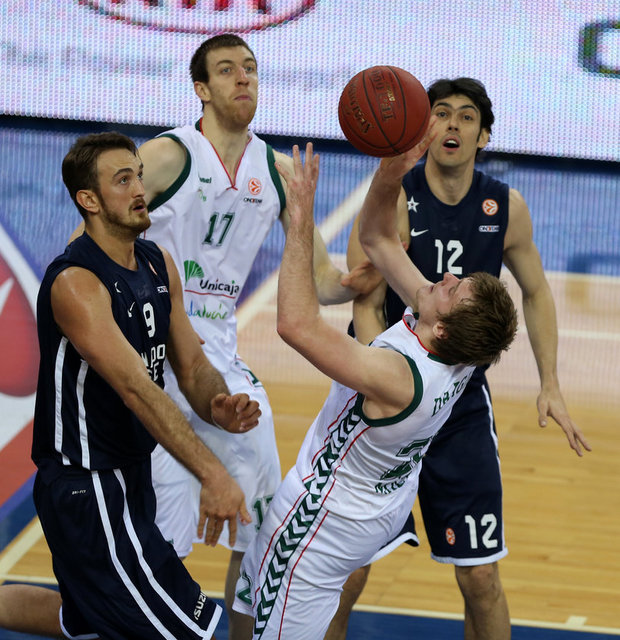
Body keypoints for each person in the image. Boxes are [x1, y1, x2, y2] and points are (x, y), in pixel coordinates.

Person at [131, 33, 376, 640]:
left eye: (250, 68)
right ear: (201, 89)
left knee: (265, 528)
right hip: (151, 354)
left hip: (221, 357)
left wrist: (363, 277)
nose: (243, 78)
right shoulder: (166, 156)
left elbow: (321, 282)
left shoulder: (279, 170)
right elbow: (94, 239)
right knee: (159, 543)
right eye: (226, 70)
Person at [231, 139, 518, 639]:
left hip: (321, 521)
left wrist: (300, 218)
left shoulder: (398, 375)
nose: (446, 276)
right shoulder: (461, 349)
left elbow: (296, 325)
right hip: (377, 507)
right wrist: (391, 172)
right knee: (249, 603)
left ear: (442, 327)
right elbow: (378, 238)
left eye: (453, 289)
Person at [343, 78, 592, 640]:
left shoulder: (506, 207)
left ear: (483, 137)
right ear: (423, 127)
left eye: (466, 116)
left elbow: (536, 292)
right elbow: (365, 302)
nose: (452, 124)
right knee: (350, 572)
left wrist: (550, 382)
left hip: (459, 402)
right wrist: (378, 382)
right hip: (388, 399)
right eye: (441, 113)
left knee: (481, 577)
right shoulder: (395, 198)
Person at [0, 132, 263, 639]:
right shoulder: (77, 283)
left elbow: (191, 366)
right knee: (188, 631)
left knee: (80, 619)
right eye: (123, 180)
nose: (140, 189)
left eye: (139, 175)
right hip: (87, 485)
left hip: (131, 476)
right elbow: (138, 390)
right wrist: (212, 473)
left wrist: (217, 404)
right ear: (89, 200)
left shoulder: (158, 262)